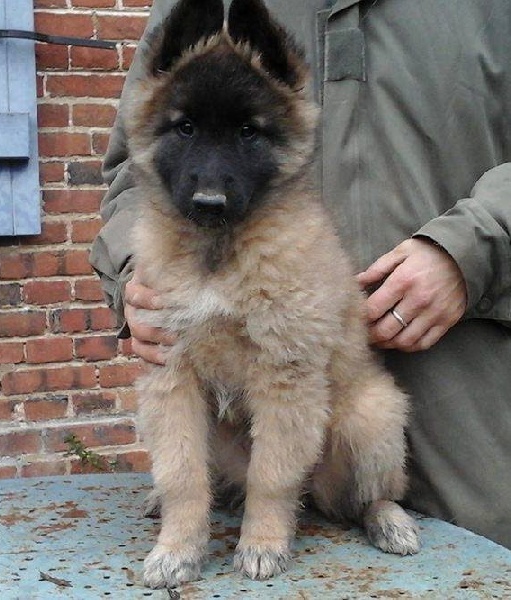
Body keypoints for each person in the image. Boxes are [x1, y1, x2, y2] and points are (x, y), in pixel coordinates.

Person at [90, 0, 511, 548]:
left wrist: (476, 244)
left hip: (463, 400)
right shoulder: (195, 22)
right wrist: (132, 273)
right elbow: (135, 163)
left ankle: (373, 500)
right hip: (232, 473)